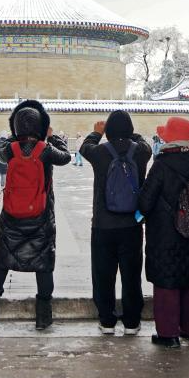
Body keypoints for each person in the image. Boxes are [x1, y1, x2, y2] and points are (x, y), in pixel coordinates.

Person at [0, 100, 70, 331]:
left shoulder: (8, 151)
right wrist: (51, 137)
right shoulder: (46, 151)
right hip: (41, 217)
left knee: (1, 263)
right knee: (44, 265)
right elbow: (67, 157)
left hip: (12, 217)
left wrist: (13, 137)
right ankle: (43, 317)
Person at [137, 116, 189, 348]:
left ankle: (168, 334)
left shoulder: (162, 163)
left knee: (166, 280)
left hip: (165, 234)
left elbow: (146, 201)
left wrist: (141, 210)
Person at [79, 111, 152, 335]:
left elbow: (84, 147)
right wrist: (130, 133)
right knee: (131, 274)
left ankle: (107, 320)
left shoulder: (100, 152)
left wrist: (97, 132)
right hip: (132, 224)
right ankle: (131, 321)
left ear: (109, 130)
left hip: (103, 224)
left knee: (103, 274)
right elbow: (143, 142)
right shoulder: (141, 152)